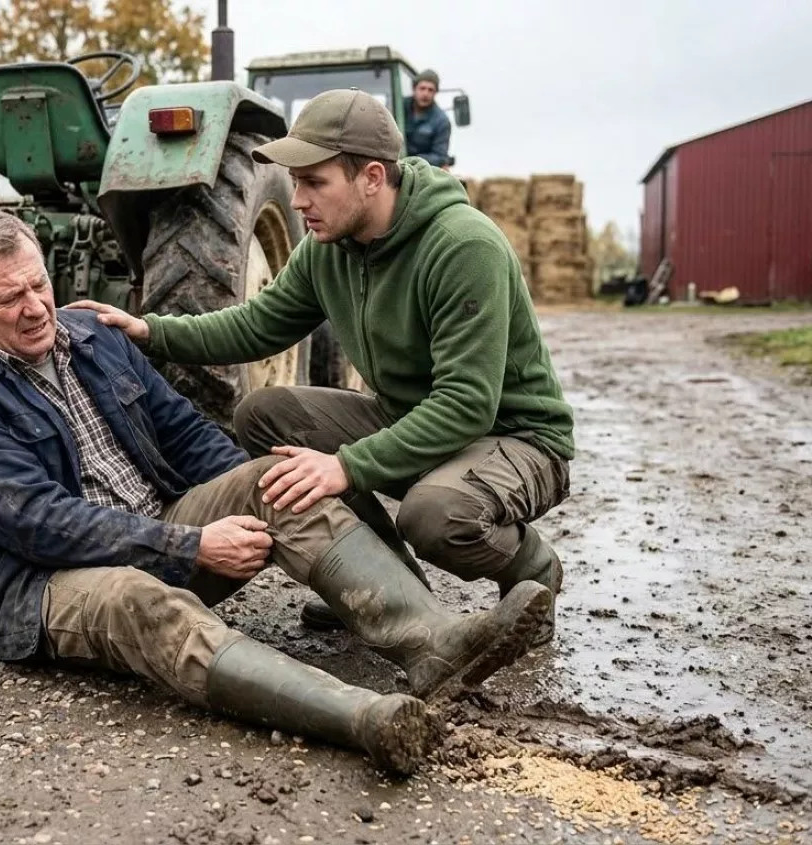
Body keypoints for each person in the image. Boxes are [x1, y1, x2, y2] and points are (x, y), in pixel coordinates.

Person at [0, 211, 554, 775]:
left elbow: (185, 431)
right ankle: (363, 718)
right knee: (133, 597)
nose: (35, 308)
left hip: (159, 530)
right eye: (9, 299)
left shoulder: (90, 336)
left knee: (270, 478)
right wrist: (191, 542)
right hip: (46, 583)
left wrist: (248, 500)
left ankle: (433, 644)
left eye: (39, 284)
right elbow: (36, 523)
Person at [68, 88, 574, 647]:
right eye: (296, 182)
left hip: (516, 438)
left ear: (373, 177)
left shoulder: (463, 245)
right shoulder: (327, 247)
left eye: (314, 183)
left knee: (435, 516)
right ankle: (392, 589)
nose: (298, 200)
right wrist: (151, 330)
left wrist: (347, 466)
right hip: (417, 418)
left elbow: (467, 405)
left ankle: (534, 569)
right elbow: (256, 325)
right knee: (265, 412)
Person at [404, 69, 451, 168]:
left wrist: (412, 160)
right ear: (414, 89)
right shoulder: (399, 106)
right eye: (422, 88)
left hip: (422, 169)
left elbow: (440, 156)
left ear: (435, 93)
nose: (426, 93)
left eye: (430, 90)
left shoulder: (441, 121)